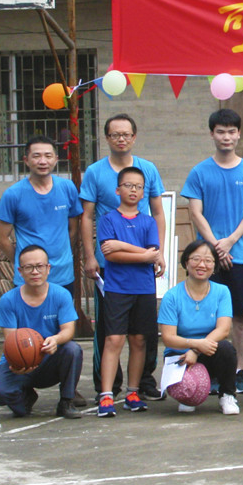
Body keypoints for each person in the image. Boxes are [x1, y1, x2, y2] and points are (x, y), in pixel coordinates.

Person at [78, 113, 166, 402]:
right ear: (107, 138)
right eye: (115, 134)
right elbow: (87, 216)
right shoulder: (95, 172)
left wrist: (159, 253)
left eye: (126, 134)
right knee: (109, 332)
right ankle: (107, 387)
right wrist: (90, 256)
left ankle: (142, 383)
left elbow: (158, 212)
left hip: (143, 265)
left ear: (134, 137)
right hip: (109, 265)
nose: (121, 139)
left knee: (144, 333)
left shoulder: (147, 169)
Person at [181, 108, 243, 396]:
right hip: (207, 259)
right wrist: (216, 246)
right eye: (220, 132)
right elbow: (196, 212)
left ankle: (239, 372)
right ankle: (214, 372)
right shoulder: (199, 171)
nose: (226, 137)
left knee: (240, 317)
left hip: (239, 255)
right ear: (212, 134)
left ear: (239, 134)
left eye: (231, 131)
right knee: (211, 317)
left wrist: (229, 241)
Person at [0, 135, 85, 406]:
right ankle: (23, 378)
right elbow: (2, 237)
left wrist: (56, 259)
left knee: (64, 335)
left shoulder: (67, 188)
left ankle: (68, 390)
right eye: (36, 155)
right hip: (27, 279)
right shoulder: (13, 194)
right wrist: (25, 265)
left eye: (48, 155)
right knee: (24, 336)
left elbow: (73, 228)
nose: (42, 161)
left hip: (63, 274)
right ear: (26, 160)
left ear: (56, 159)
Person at [0, 245, 83, 419]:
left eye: (39, 266)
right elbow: (11, 340)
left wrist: (55, 340)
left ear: (48, 268)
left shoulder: (61, 295)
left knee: (72, 349)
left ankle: (66, 401)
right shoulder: (8, 300)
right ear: (20, 271)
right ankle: (26, 395)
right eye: (29, 267)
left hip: (49, 359)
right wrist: (17, 363)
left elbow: (68, 330)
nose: (35, 272)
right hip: (21, 361)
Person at [94, 166, 161, 417]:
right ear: (117, 190)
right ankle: (106, 395)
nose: (133, 190)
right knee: (113, 340)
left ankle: (133, 392)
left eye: (138, 187)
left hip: (144, 289)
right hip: (116, 289)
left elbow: (153, 254)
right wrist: (143, 255)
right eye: (128, 185)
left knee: (139, 340)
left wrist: (123, 246)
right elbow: (110, 255)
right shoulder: (108, 219)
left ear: (143, 193)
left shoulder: (149, 221)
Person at [157, 240, 239, 415]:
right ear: (186, 262)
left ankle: (227, 395)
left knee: (226, 348)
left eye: (208, 260)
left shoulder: (222, 291)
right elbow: (168, 338)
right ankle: (188, 396)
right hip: (180, 355)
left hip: (209, 350)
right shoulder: (172, 296)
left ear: (214, 266)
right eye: (196, 259)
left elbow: (223, 330)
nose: (202, 265)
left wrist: (196, 350)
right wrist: (193, 345)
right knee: (187, 393)